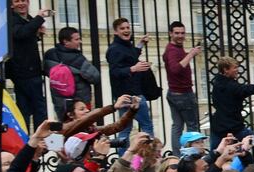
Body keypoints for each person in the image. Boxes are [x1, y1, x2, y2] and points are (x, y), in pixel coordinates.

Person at [106, 18, 155, 148]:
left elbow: (131, 55)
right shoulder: (114, 49)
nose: (126, 30)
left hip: (130, 92)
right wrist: (133, 69)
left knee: (125, 129)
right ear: (115, 32)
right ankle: (148, 156)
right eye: (122, 28)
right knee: (145, 126)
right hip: (129, 94)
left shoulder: (125, 46)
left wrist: (140, 44)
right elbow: (114, 72)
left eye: (128, 27)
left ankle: (129, 160)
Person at [210, 57, 254, 149]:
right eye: (234, 68)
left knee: (216, 154)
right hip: (235, 128)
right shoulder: (232, 87)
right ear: (225, 70)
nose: (237, 70)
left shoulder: (217, 83)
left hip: (218, 128)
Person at [7, 1, 53, 130]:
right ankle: (37, 139)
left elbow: (24, 40)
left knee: (27, 108)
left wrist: (37, 35)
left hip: (30, 69)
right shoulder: (11, 19)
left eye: (24, 0)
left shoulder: (28, 20)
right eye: (17, 1)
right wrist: (39, 18)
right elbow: (20, 34)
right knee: (36, 108)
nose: (21, 3)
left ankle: (32, 141)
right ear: (11, 5)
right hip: (24, 70)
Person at [163, 21, 202, 156]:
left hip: (174, 93)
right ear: (170, 34)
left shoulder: (173, 49)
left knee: (177, 126)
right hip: (183, 94)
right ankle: (194, 154)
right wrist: (190, 54)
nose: (180, 36)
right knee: (192, 126)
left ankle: (176, 155)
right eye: (177, 33)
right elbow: (175, 69)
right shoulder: (172, 50)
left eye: (182, 33)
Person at [44, 27, 101, 119]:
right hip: (80, 102)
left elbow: (47, 73)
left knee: (65, 128)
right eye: (77, 39)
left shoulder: (49, 55)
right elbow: (95, 77)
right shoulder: (77, 58)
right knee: (82, 129)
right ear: (66, 42)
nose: (80, 41)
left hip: (60, 101)